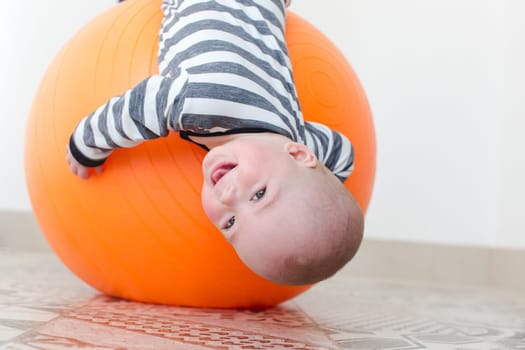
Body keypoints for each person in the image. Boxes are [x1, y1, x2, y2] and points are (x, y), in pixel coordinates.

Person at [66, 0, 364, 285]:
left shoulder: (299, 141)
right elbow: (138, 106)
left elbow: (343, 155)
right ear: (299, 155)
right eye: (259, 195)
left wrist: (319, 185)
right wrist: (86, 145)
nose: (229, 195)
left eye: (230, 224)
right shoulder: (205, 103)